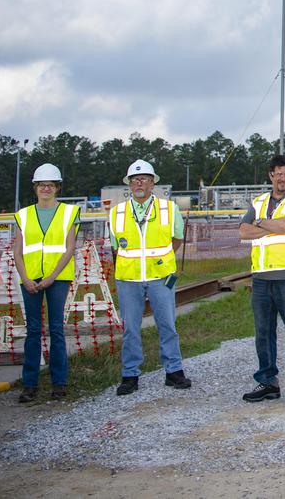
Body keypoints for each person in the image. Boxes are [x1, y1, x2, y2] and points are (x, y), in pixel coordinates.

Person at [237, 154, 285, 404]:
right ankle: (268, 381)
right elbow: (242, 231)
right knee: (263, 333)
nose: (284, 178)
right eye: (279, 174)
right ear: (270, 176)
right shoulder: (259, 201)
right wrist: (269, 224)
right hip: (261, 278)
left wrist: (259, 224)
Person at [108, 159, 190, 395]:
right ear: (129, 185)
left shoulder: (169, 208)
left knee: (167, 324)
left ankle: (174, 371)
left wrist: (159, 260)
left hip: (161, 276)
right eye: (135, 180)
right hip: (129, 279)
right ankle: (130, 374)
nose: (139, 183)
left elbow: (176, 239)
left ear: (153, 183)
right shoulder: (116, 213)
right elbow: (117, 248)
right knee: (130, 328)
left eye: (144, 179)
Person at [11, 163, 81, 401]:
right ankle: (30, 385)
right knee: (33, 331)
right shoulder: (23, 215)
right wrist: (25, 278)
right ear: (35, 187)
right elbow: (17, 251)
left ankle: (59, 383)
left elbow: (70, 247)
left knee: (56, 330)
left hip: (57, 278)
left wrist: (52, 276)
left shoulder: (69, 213)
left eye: (50, 185)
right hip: (29, 279)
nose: (46, 188)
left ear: (57, 187)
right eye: (42, 184)